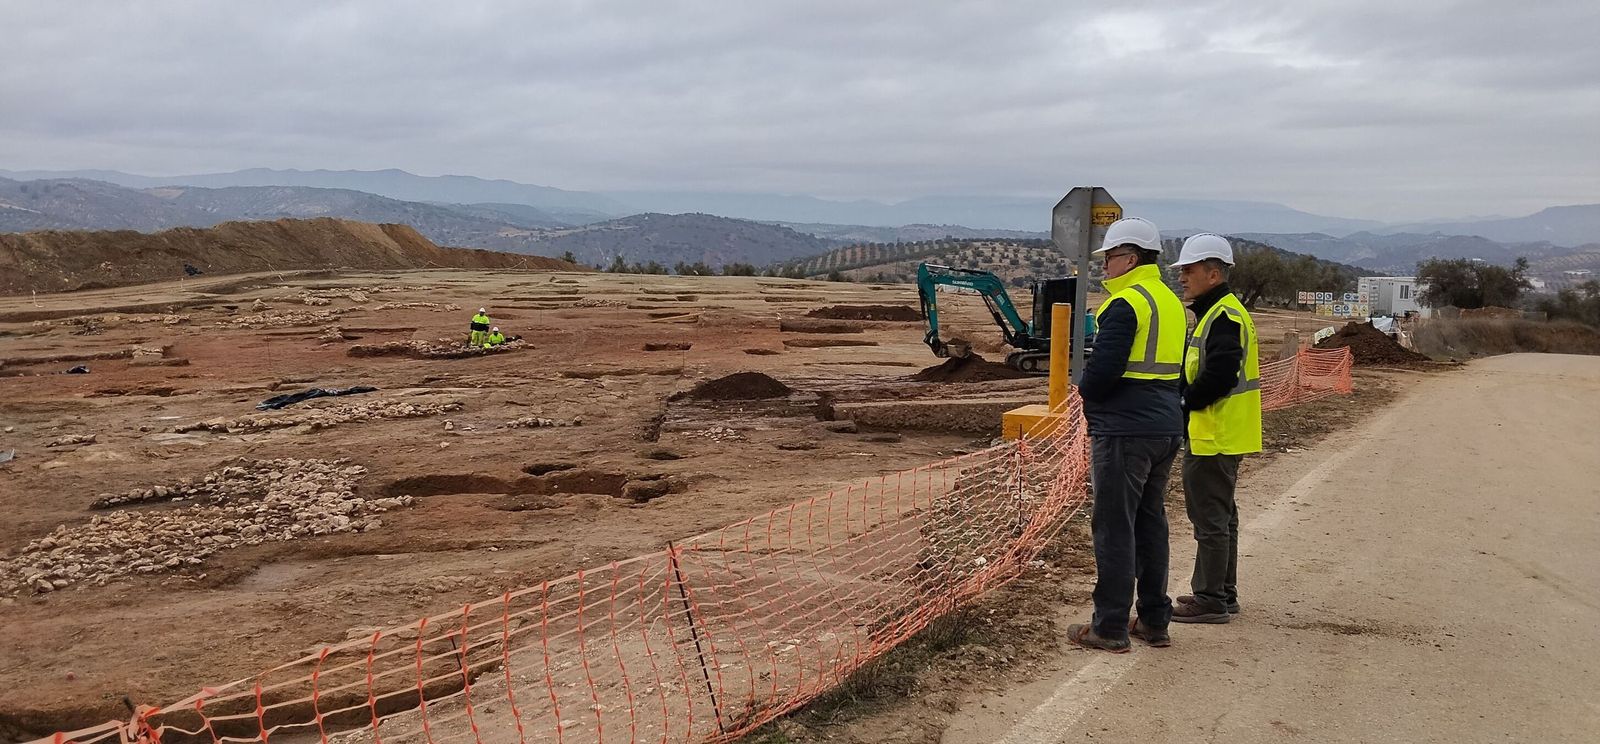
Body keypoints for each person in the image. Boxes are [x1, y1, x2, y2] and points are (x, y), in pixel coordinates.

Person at [1067, 216, 1187, 652]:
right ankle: (1154, 620)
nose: (1105, 266)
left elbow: (1101, 373)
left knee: (1115, 527)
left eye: (1111, 257)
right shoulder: (1171, 302)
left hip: (1125, 429)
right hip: (1164, 424)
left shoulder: (1126, 304)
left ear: (1131, 259)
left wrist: (1086, 394)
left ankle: (1110, 626)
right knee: (1150, 523)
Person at [1171, 233, 1262, 624]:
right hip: (1225, 431)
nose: (1182, 278)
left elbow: (1221, 375)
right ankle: (1222, 591)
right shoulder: (1222, 311)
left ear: (1213, 274)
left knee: (1209, 518)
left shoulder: (1222, 315)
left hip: (1214, 432)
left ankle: (1209, 599)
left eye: (1188, 270)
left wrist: (1185, 401)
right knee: (1222, 516)